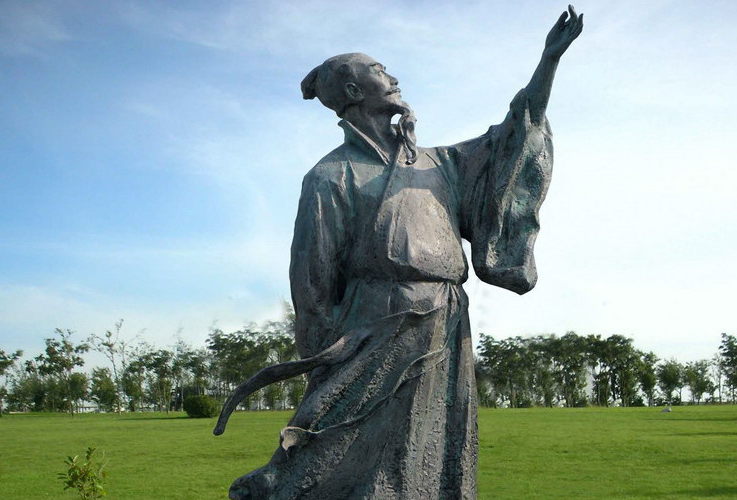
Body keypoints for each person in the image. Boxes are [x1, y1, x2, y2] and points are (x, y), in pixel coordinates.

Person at [224, 6, 583, 499]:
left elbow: (514, 135)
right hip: (375, 324)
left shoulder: (440, 164)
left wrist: (548, 63)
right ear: (354, 92)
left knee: (434, 445)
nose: (392, 77)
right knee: (350, 446)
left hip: (445, 317)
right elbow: (311, 282)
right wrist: (325, 356)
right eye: (379, 71)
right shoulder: (330, 176)